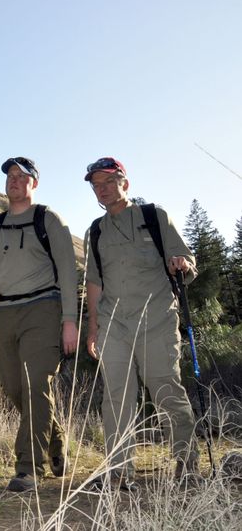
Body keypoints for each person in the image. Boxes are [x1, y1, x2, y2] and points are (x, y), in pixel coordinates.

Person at [84, 156, 200, 492]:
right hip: (113, 324)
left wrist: (182, 264)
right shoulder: (96, 230)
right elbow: (94, 281)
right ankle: (119, 473)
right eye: (96, 185)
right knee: (116, 398)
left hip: (157, 320)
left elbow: (187, 262)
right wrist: (93, 328)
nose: (102, 190)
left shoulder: (154, 216)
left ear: (125, 183)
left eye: (108, 182)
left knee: (166, 390)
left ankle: (187, 464)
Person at [0, 156, 78, 492]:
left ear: (34, 183)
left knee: (36, 386)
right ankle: (56, 441)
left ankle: (28, 468)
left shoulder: (49, 220)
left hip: (44, 308)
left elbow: (69, 272)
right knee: (14, 388)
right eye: (10, 176)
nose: (14, 180)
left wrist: (70, 320)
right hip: (6, 313)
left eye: (21, 175)